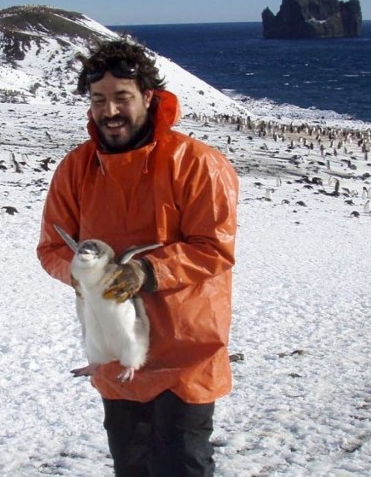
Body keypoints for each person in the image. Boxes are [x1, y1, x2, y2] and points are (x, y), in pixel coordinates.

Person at [36, 38, 238, 476]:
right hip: (117, 350)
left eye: (122, 98)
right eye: (98, 99)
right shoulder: (76, 169)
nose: (110, 111)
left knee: (181, 465)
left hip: (186, 350)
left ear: (148, 96)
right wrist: (79, 275)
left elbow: (214, 247)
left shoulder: (197, 163)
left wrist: (146, 271)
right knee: (131, 467)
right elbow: (52, 247)